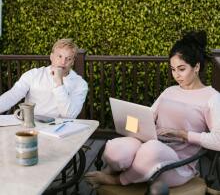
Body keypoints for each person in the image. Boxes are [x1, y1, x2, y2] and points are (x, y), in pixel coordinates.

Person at [85, 31, 220, 187]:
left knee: (152, 149)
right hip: (150, 145)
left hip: (177, 165)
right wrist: (132, 124)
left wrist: (183, 134)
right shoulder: (169, 91)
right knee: (116, 148)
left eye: (181, 69)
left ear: (196, 67)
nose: (176, 75)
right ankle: (120, 168)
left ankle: (117, 179)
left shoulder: (212, 97)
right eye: (173, 69)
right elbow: (147, 117)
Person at [0, 38, 88, 118]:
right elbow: (12, 96)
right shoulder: (34, 74)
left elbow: (69, 115)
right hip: (30, 126)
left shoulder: (80, 84)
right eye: (59, 56)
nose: (63, 62)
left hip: (59, 130)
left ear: (73, 62)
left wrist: (59, 83)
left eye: (68, 59)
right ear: (51, 57)